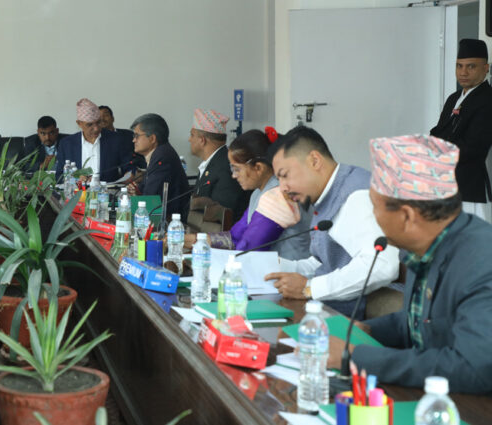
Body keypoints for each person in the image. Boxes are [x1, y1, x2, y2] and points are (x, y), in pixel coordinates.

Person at [326, 134, 492, 394]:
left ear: (406, 216)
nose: (373, 217)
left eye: (375, 207)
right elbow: (422, 321)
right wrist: (368, 330)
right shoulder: (427, 245)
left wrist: (356, 357)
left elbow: (475, 369)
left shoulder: (482, 262)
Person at [263, 126, 399, 319]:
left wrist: (309, 288)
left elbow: (382, 265)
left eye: (285, 175)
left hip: (371, 318)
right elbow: (325, 263)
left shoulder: (356, 196)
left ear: (314, 161)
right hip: (339, 311)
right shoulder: (325, 197)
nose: (283, 188)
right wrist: (276, 267)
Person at [185, 129, 311, 260]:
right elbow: (234, 237)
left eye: (237, 169)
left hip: (288, 270)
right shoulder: (257, 193)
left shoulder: (278, 195)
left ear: (258, 167)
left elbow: (247, 249)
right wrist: (191, 240)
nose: (234, 175)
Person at [430, 38, 492, 222]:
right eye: (459, 66)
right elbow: (437, 132)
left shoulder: (487, 100)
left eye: (471, 66)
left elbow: (474, 148)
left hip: (469, 187)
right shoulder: (454, 98)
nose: (463, 72)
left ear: (486, 68)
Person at [187, 108, 250, 218]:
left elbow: (222, 215)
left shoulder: (225, 166)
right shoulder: (213, 162)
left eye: (192, 135)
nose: (189, 139)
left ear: (202, 140)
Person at [127, 113, 190, 220]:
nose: (133, 140)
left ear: (152, 138)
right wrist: (135, 190)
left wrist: (136, 196)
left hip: (170, 221)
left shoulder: (162, 157)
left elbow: (150, 199)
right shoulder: (160, 153)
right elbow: (145, 191)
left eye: (136, 136)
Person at [55, 98, 133, 183]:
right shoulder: (67, 144)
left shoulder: (116, 140)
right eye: (90, 125)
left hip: (109, 190)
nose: (96, 129)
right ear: (79, 123)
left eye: (99, 122)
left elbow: (129, 168)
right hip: (78, 190)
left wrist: (129, 175)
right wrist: (75, 179)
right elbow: (59, 177)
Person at [99, 105, 146, 170]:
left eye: (105, 115)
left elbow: (140, 154)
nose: (102, 119)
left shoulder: (129, 135)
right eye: (98, 117)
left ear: (112, 118)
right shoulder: (97, 140)